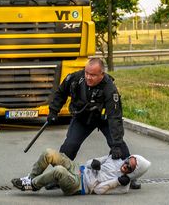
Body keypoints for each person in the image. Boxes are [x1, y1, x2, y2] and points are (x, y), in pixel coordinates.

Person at [47, 57, 141, 189]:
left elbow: (115, 117)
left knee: (119, 146)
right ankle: (57, 176)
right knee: (70, 145)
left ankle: (131, 177)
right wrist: (53, 112)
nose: (88, 77)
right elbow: (61, 93)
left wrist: (116, 144)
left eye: (93, 75)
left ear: (102, 74)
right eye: (87, 73)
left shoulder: (109, 88)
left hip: (104, 119)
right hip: (83, 118)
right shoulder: (75, 78)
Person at [11, 148, 150, 195]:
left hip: (79, 185)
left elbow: (98, 191)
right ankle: (31, 178)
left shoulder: (123, 186)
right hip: (78, 169)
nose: (125, 165)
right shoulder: (116, 160)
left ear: (134, 173)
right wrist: (94, 163)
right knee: (49, 153)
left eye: (129, 168)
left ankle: (33, 185)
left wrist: (116, 182)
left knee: (59, 170)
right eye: (127, 161)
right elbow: (88, 163)